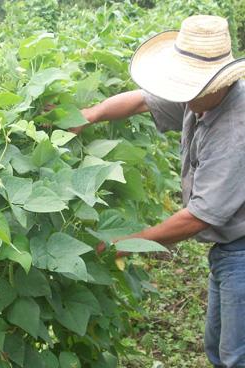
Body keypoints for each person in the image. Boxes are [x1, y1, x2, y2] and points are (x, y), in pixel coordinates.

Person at [68, 15, 245, 368]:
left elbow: (198, 217)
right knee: (219, 349)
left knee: (235, 356)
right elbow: (141, 101)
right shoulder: (202, 95)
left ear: (217, 83)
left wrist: (127, 242)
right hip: (228, 250)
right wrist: (87, 115)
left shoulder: (234, 133)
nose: (180, 94)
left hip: (241, 250)